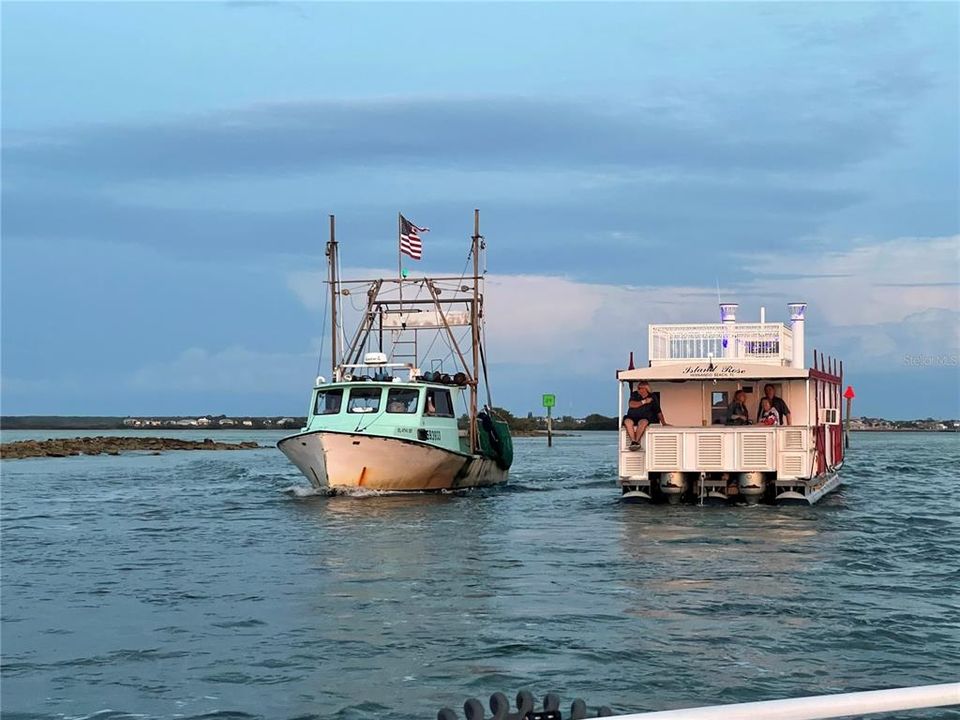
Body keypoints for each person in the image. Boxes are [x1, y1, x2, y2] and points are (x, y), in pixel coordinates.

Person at [622, 381, 666, 450]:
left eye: (640, 388)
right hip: (631, 416)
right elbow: (631, 404)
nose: (639, 390)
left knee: (643, 422)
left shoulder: (652, 397)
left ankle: (636, 442)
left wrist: (664, 423)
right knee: (627, 422)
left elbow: (658, 411)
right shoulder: (635, 394)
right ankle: (633, 441)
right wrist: (644, 401)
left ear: (646, 389)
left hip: (644, 417)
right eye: (638, 388)